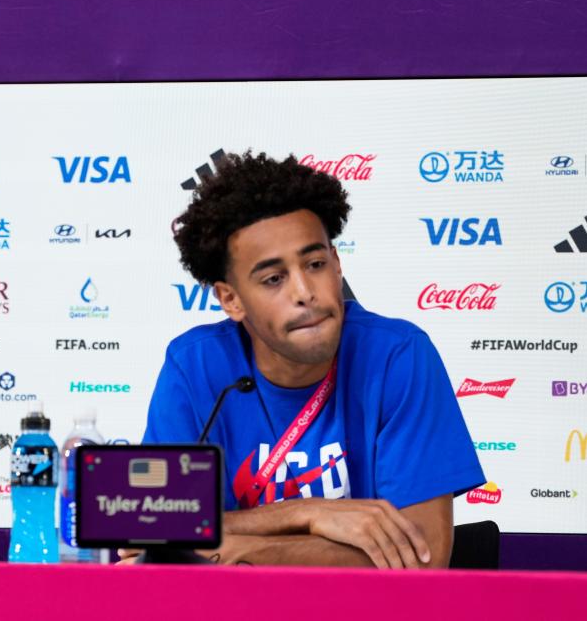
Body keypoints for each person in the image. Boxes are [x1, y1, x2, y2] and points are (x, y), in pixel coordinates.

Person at [142, 151, 483, 567]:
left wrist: (242, 550)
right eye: (273, 278)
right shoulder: (193, 366)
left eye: (316, 263)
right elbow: (158, 534)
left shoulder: (398, 356)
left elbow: (422, 559)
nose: (305, 291)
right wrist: (311, 513)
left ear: (337, 266)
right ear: (231, 299)